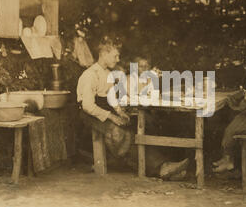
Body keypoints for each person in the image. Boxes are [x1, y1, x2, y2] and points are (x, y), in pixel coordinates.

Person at [77, 40, 189, 179]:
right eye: (115, 56)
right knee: (120, 134)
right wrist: (112, 117)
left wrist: (120, 112)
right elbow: (88, 106)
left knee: (139, 125)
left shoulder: (107, 73)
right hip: (91, 114)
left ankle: (164, 168)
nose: (118, 60)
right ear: (104, 54)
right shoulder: (90, 74)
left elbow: (111, 99)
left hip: (105, 110)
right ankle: (161, 167)